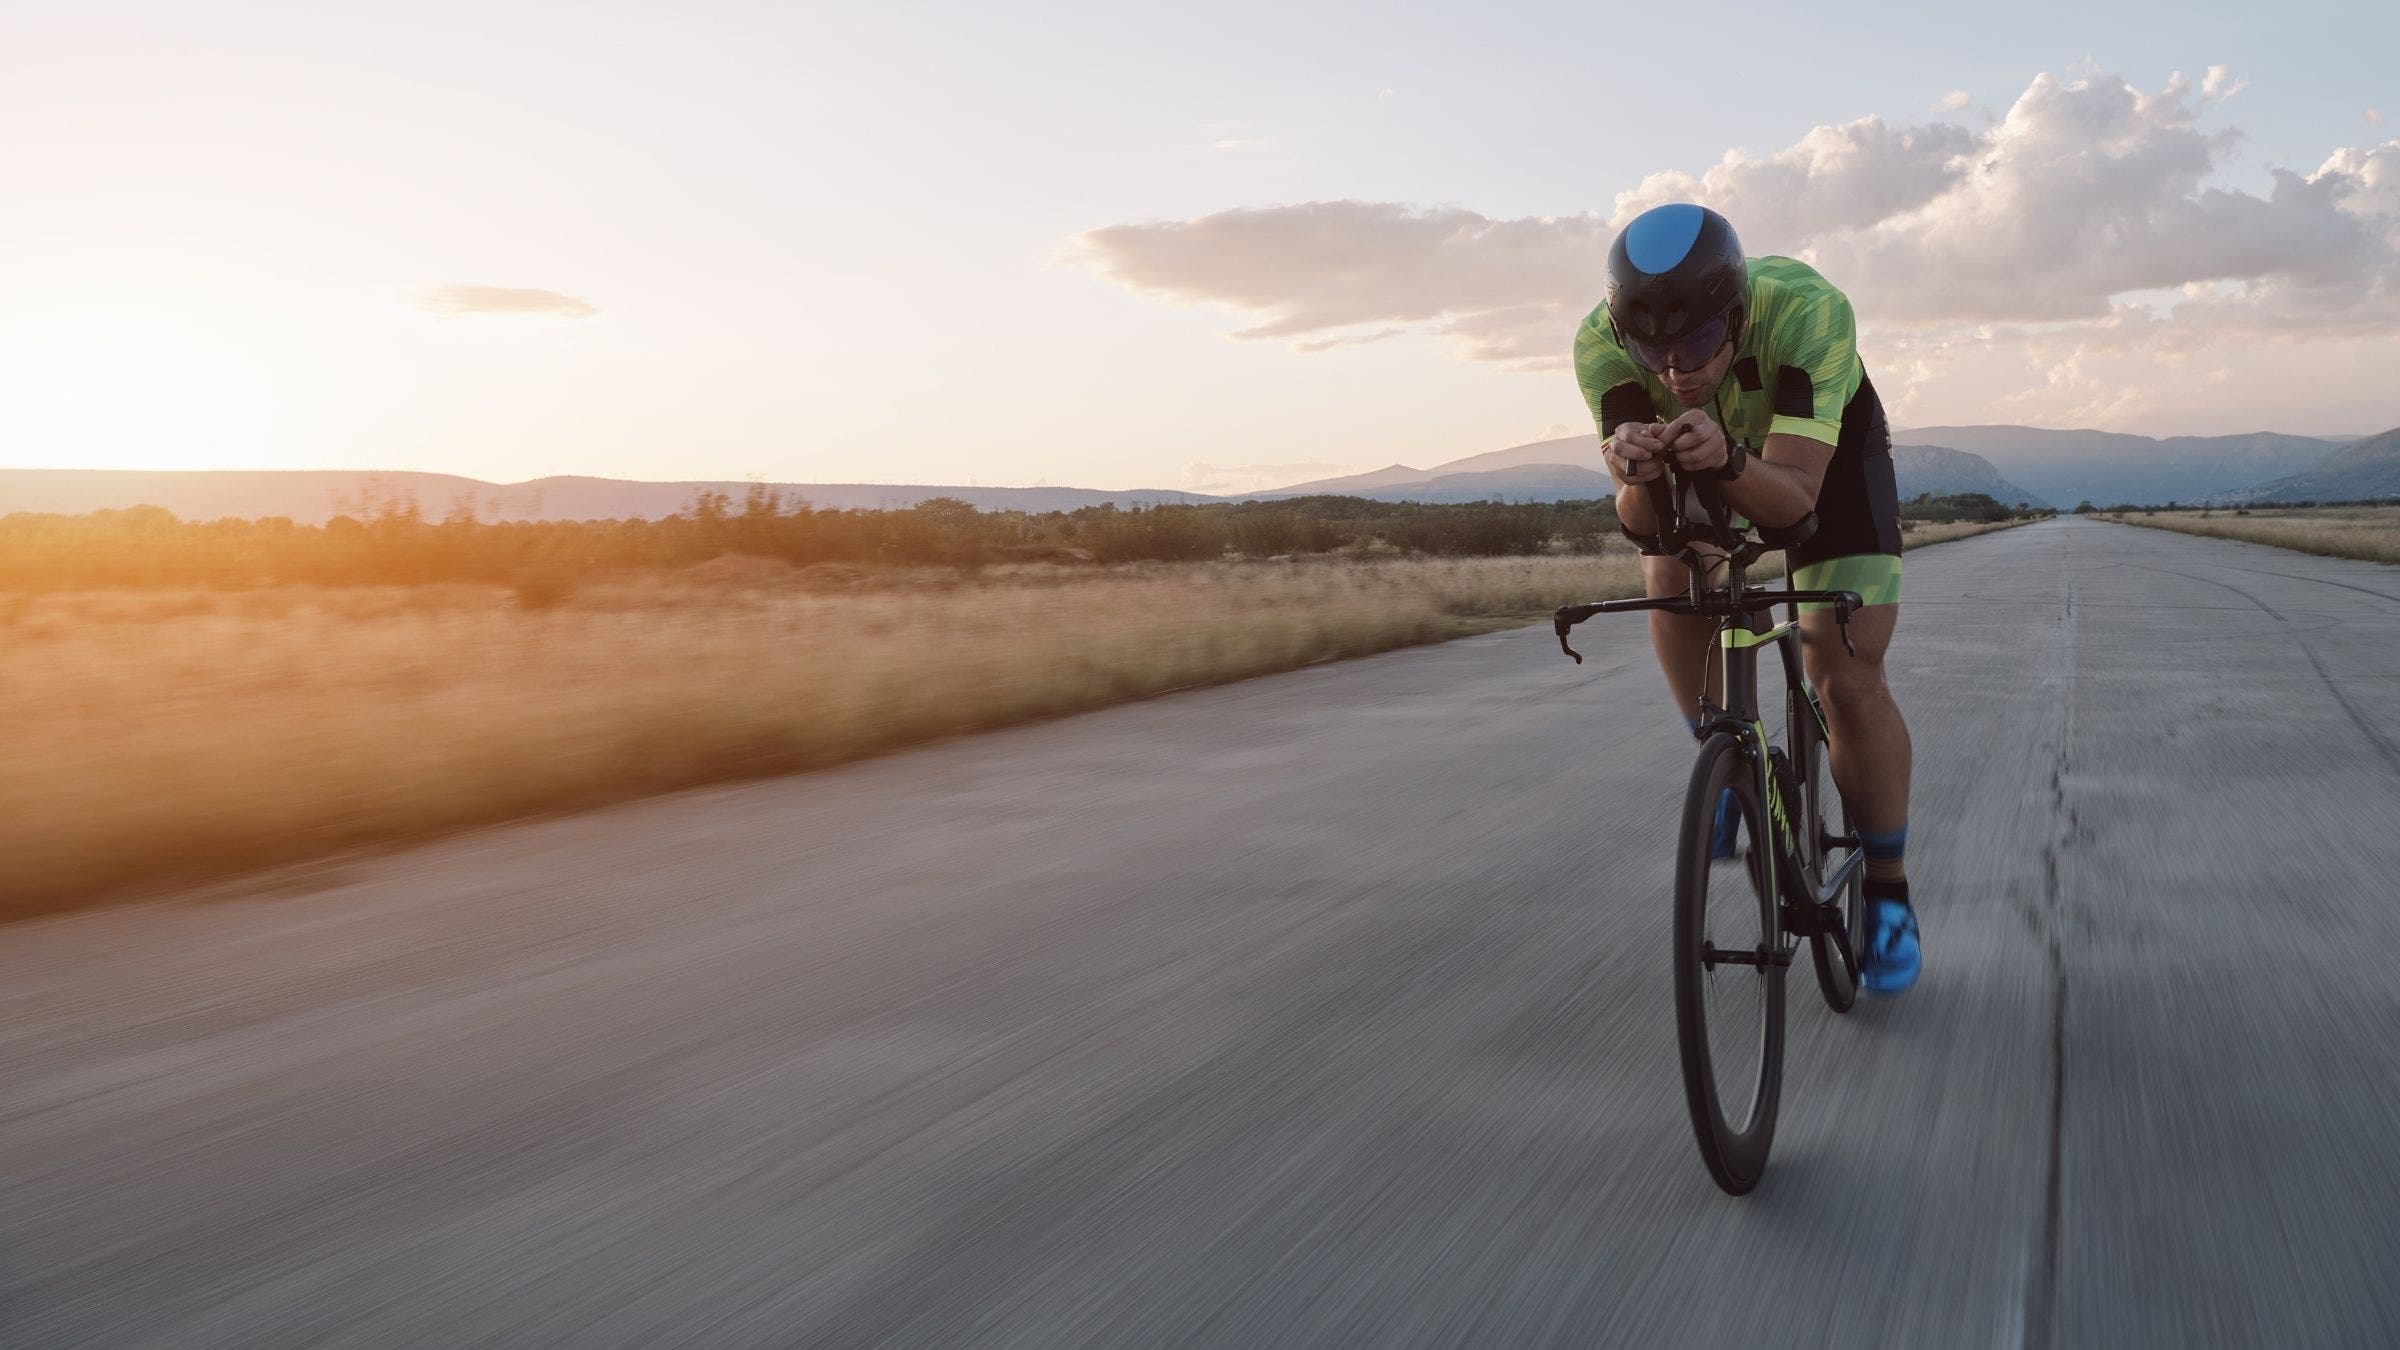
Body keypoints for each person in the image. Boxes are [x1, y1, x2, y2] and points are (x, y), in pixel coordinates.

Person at [1572, 202, 1919, 994]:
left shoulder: (1805, 312)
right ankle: (1723, 756)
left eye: (1695, 342)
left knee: (1844, 669)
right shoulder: (1599, 344)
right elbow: (1641, 528)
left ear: (1735, 316)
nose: (1672, 371)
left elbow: (1798, 505)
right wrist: (1635, 474)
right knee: (1668, 572)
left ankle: (1890, 891)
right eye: (1650, 348)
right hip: (1706, 449)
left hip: (1821, 459)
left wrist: (1728, 459)